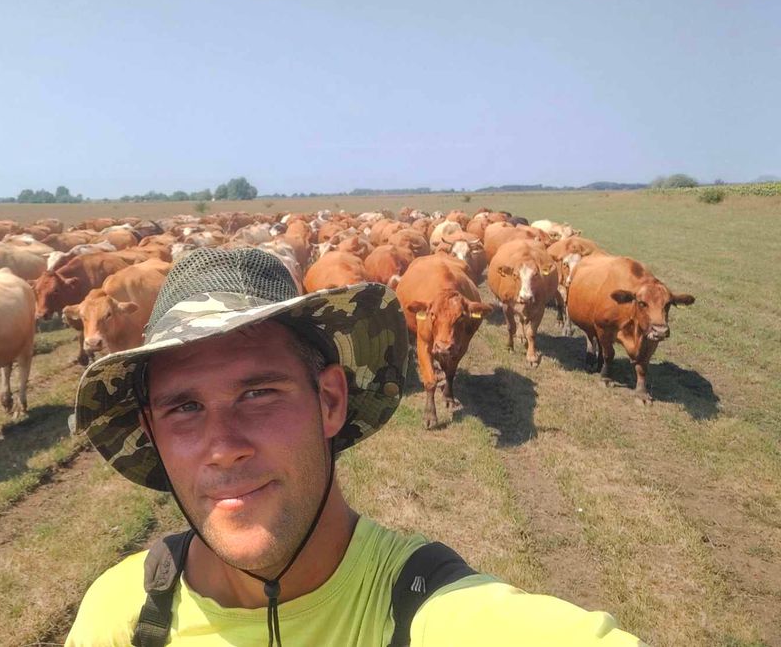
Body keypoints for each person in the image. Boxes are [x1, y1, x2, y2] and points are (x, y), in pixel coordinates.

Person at [66, 247, 642, 647]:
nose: (223, 448)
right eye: (184, 408)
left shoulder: (430, 611)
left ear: (331, 402)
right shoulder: (119, 616)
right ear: (152, 431)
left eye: (260, 393)